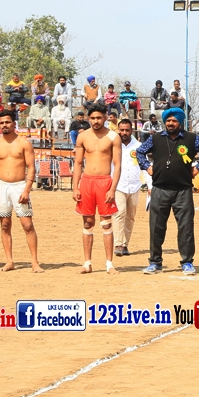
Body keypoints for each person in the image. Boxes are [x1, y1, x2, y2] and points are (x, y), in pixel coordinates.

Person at [136, 107, 199, 275]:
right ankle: (155, 262)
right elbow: (140, 152)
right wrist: (147, 166)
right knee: (156, 227)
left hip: (183, 190)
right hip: (159, 189)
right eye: (168, 120)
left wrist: (198, 167)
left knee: (186, 228)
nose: (170, 123)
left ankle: (187, 262)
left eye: (174, 120)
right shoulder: (155, 138)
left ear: (180, 122)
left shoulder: (191, 139)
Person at [0, 109, 42, 272]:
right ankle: (9, 261)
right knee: (4, 224)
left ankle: (34, 262)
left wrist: (27, 190)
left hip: (19, 186)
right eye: (2, 122)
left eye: (7, 122)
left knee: (27, 225)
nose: (4, 125)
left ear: (14, 123)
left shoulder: (24, 143)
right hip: (2, 186)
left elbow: (31, 168)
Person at [72, 103, 122, 274]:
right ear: (88, 118)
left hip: (104, 182)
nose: (96, 121)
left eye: (99, 118)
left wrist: (112, 188)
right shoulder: (82, 137)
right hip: (87, 182)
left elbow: (117, 164)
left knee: (106, 223)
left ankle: (109, 264)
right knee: (88, 222)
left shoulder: (113, 137)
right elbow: (78, 163)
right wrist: (75, 187)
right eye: (93, 118)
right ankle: (87, 263)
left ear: (105, 117)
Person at [114, 118, 148, 257]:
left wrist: (149, 185)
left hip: (134, 186)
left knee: (130, 216)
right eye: (122, 130)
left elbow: (145, 166)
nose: (124, 132)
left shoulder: (139, 146)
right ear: (118, 130)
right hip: (118, 185)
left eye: (127, 130)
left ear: (131, 130)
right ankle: (118, 244)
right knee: (119, 213)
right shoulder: (113, 145)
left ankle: (125, 245)